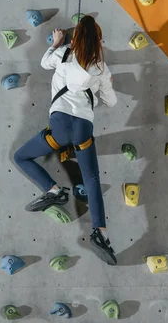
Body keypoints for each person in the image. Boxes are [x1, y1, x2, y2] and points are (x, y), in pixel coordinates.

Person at [14, 16, 118, 265]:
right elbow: (111, 101)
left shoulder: (62, 54)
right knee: (91, 180)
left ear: (75, 38)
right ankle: (100, 233)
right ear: (98, 40)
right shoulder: (101, 67)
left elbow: (44, 62)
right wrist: (102, 87)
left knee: (21, 157)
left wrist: (56, 42)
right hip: (83, 129)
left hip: (59, 128)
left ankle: (54, 191)